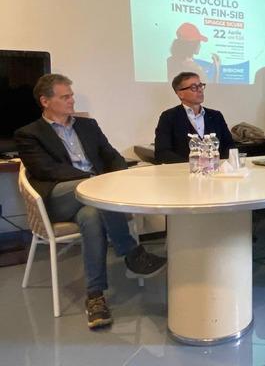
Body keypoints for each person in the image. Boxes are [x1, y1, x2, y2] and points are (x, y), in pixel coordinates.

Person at [15, 74, 166, 330]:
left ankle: (95, 296)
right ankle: (132, 253)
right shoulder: (29, 134)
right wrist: (94, 181)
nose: (72, 100)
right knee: (99, 195)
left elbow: (111, 155)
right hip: (60, 197)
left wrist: (119, 175)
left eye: (71, 95)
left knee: (92, 215)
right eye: (65, 96)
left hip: (91, 200)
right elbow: (47, 170)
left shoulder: (88, 125)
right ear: (45, 101)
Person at [154, 71, 235, 163]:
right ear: (180, 94)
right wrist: (193, 164)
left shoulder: (216, 116)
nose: (200, 90)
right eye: (194, 87)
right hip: (184, 170)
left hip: (216, 169)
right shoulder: (169, 117)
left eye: (200, 86)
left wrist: (219, 164)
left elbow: (230, 147)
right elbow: (162, 153)